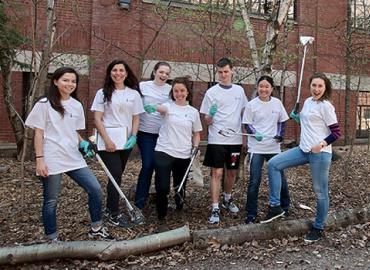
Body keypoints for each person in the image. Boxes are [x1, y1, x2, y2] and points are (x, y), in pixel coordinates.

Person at [25, 67, 113, 242]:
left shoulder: (76, 104)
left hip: (73, 156)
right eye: (66, 80)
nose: (70, 84)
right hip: (51, 157)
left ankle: (96, 228)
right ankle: (52, 239)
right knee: (51, 200)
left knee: (95, 189)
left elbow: (72, 131)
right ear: (55, 81)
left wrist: (83, 142)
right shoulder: (43, 104)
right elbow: (38, 133)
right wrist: (40, 160)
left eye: (73, 81)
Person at [262, 73, 341, 243]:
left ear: (325, 87)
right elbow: (311, 125)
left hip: (320, 153)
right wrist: (299, 119)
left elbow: (336, 133)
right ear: (310, 86)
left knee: (320, 192)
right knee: (274, 164)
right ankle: (276, 207)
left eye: (320, 86)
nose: (316, 89)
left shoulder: (326, 106)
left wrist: (320, 144)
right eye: (314, 85)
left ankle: (319, 227)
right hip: (303, 149)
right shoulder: (307, 102)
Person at [91, 59, 144, 228]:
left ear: (126, 73)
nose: (118, 73)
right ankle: (113, 213)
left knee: (116, 175)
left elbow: (136, 117)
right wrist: (107, 140)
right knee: (115, 176)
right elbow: (97, 118)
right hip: (109, 142)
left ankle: (109, 207)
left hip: (125, 142)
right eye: (114, 70)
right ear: (110, 73)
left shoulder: (134, 94)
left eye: (121, 70)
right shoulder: (102, 93)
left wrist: (133, 137)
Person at [144, 76, 202, 232]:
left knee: (180, 185)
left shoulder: (193, 112)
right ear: (172, 92)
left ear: (187, 92)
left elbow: (196, 133)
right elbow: (160, 108)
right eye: (176, 90)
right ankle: (161, 218)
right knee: (162, 187)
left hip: (183, 154)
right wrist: (152, 107)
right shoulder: (168, 106)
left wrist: (195, 147)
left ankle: (179, 208)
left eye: (182, 90)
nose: (179, 93)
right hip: (164, 150)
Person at [200, 57, 248, 224]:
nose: (223, 75)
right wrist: (210, 115)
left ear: (232, 71)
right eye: (220, 72)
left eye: (226, 71)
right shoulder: (211, 92)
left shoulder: (239, 91)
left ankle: (227, 198)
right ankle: (215, 206)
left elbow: (244, 115)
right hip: (217, 139)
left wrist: (244, 138)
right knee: (216, 172)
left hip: (234, 139)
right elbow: (206, 119)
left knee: (232, 172)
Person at [242, 75, 291, 224]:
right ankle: (251, 213)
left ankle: (285, 207)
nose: (263, 89)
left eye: (266, 86)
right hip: (256, 148)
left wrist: (280, 135)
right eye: (261, 86)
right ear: (257, 88)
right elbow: (247, 124)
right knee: (254, 181)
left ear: (271, 88)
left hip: (273, 148)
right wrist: (253, 132)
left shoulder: (277, 103)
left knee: (280, 179)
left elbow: (283, 121)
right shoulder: (251, 105)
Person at [135, 61, 172, 209]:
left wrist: (159, 108)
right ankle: (139, 202)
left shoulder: (170, 90)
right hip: (145, 133)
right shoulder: (143, 86)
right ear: (154, 72)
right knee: (148, 165)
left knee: (162, 167)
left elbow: (174, 108)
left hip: (164, 134)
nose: (164, 75)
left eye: (167, 73)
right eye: (161, 72)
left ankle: (161, 200)